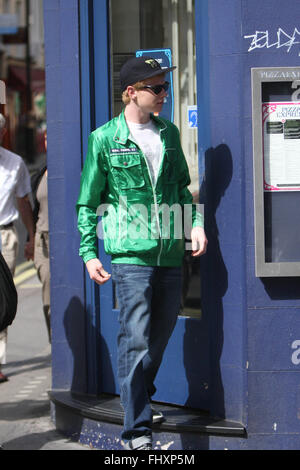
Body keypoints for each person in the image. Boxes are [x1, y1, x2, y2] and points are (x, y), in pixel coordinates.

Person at [76, 56, 208, 450]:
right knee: (134, 339)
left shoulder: (168, 133)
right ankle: (136, 432)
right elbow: (88, 202)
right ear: (131, 93)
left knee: (161, 335)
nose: (164, 95)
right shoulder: (105, 139)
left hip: (169, 251)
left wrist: (195, 224)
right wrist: (89, 252)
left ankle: (139, 399)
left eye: (165, 87)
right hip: (130, 255)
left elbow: (183, 187)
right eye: (156, 88)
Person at [0, 113, 35, 383]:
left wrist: (31, 237)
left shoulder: (15, 163)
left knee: (2, 299)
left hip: (4, 237)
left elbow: (23, 202)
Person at [32, 133, 50, 342]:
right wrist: (31, 238)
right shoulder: (41, 173)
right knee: (48, 301)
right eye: (46, 138)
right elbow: (34, 209)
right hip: (41, 242)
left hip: (63, 243)